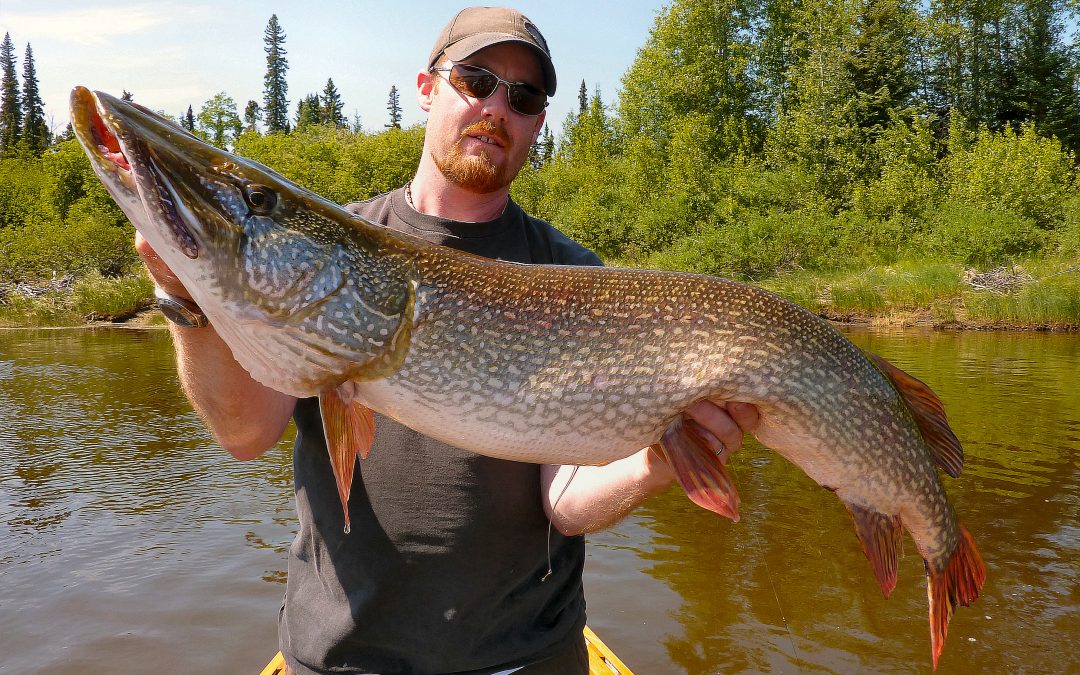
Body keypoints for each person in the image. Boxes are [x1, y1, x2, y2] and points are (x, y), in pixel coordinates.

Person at [139, 7, 759, 674]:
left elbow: (565, 501)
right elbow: (244, 435)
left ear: (537, 124)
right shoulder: (336, 248)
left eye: (524, 97)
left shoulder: (572, 276)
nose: (497, 107)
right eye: (476, 80)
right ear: (427, 89)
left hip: (524, 659)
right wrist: (186, 298)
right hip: (343, 658)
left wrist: (658, 460)